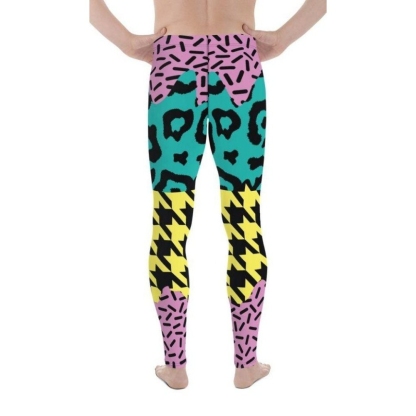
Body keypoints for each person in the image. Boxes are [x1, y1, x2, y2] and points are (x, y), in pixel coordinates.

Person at [89, 0, 326, 389]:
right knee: (244, 216)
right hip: (239, 66)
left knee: (169, 219)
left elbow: (91, 6)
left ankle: (175, 366)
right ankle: (246, 364)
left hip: (173, 64)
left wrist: (127, 42)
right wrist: (282, 38)